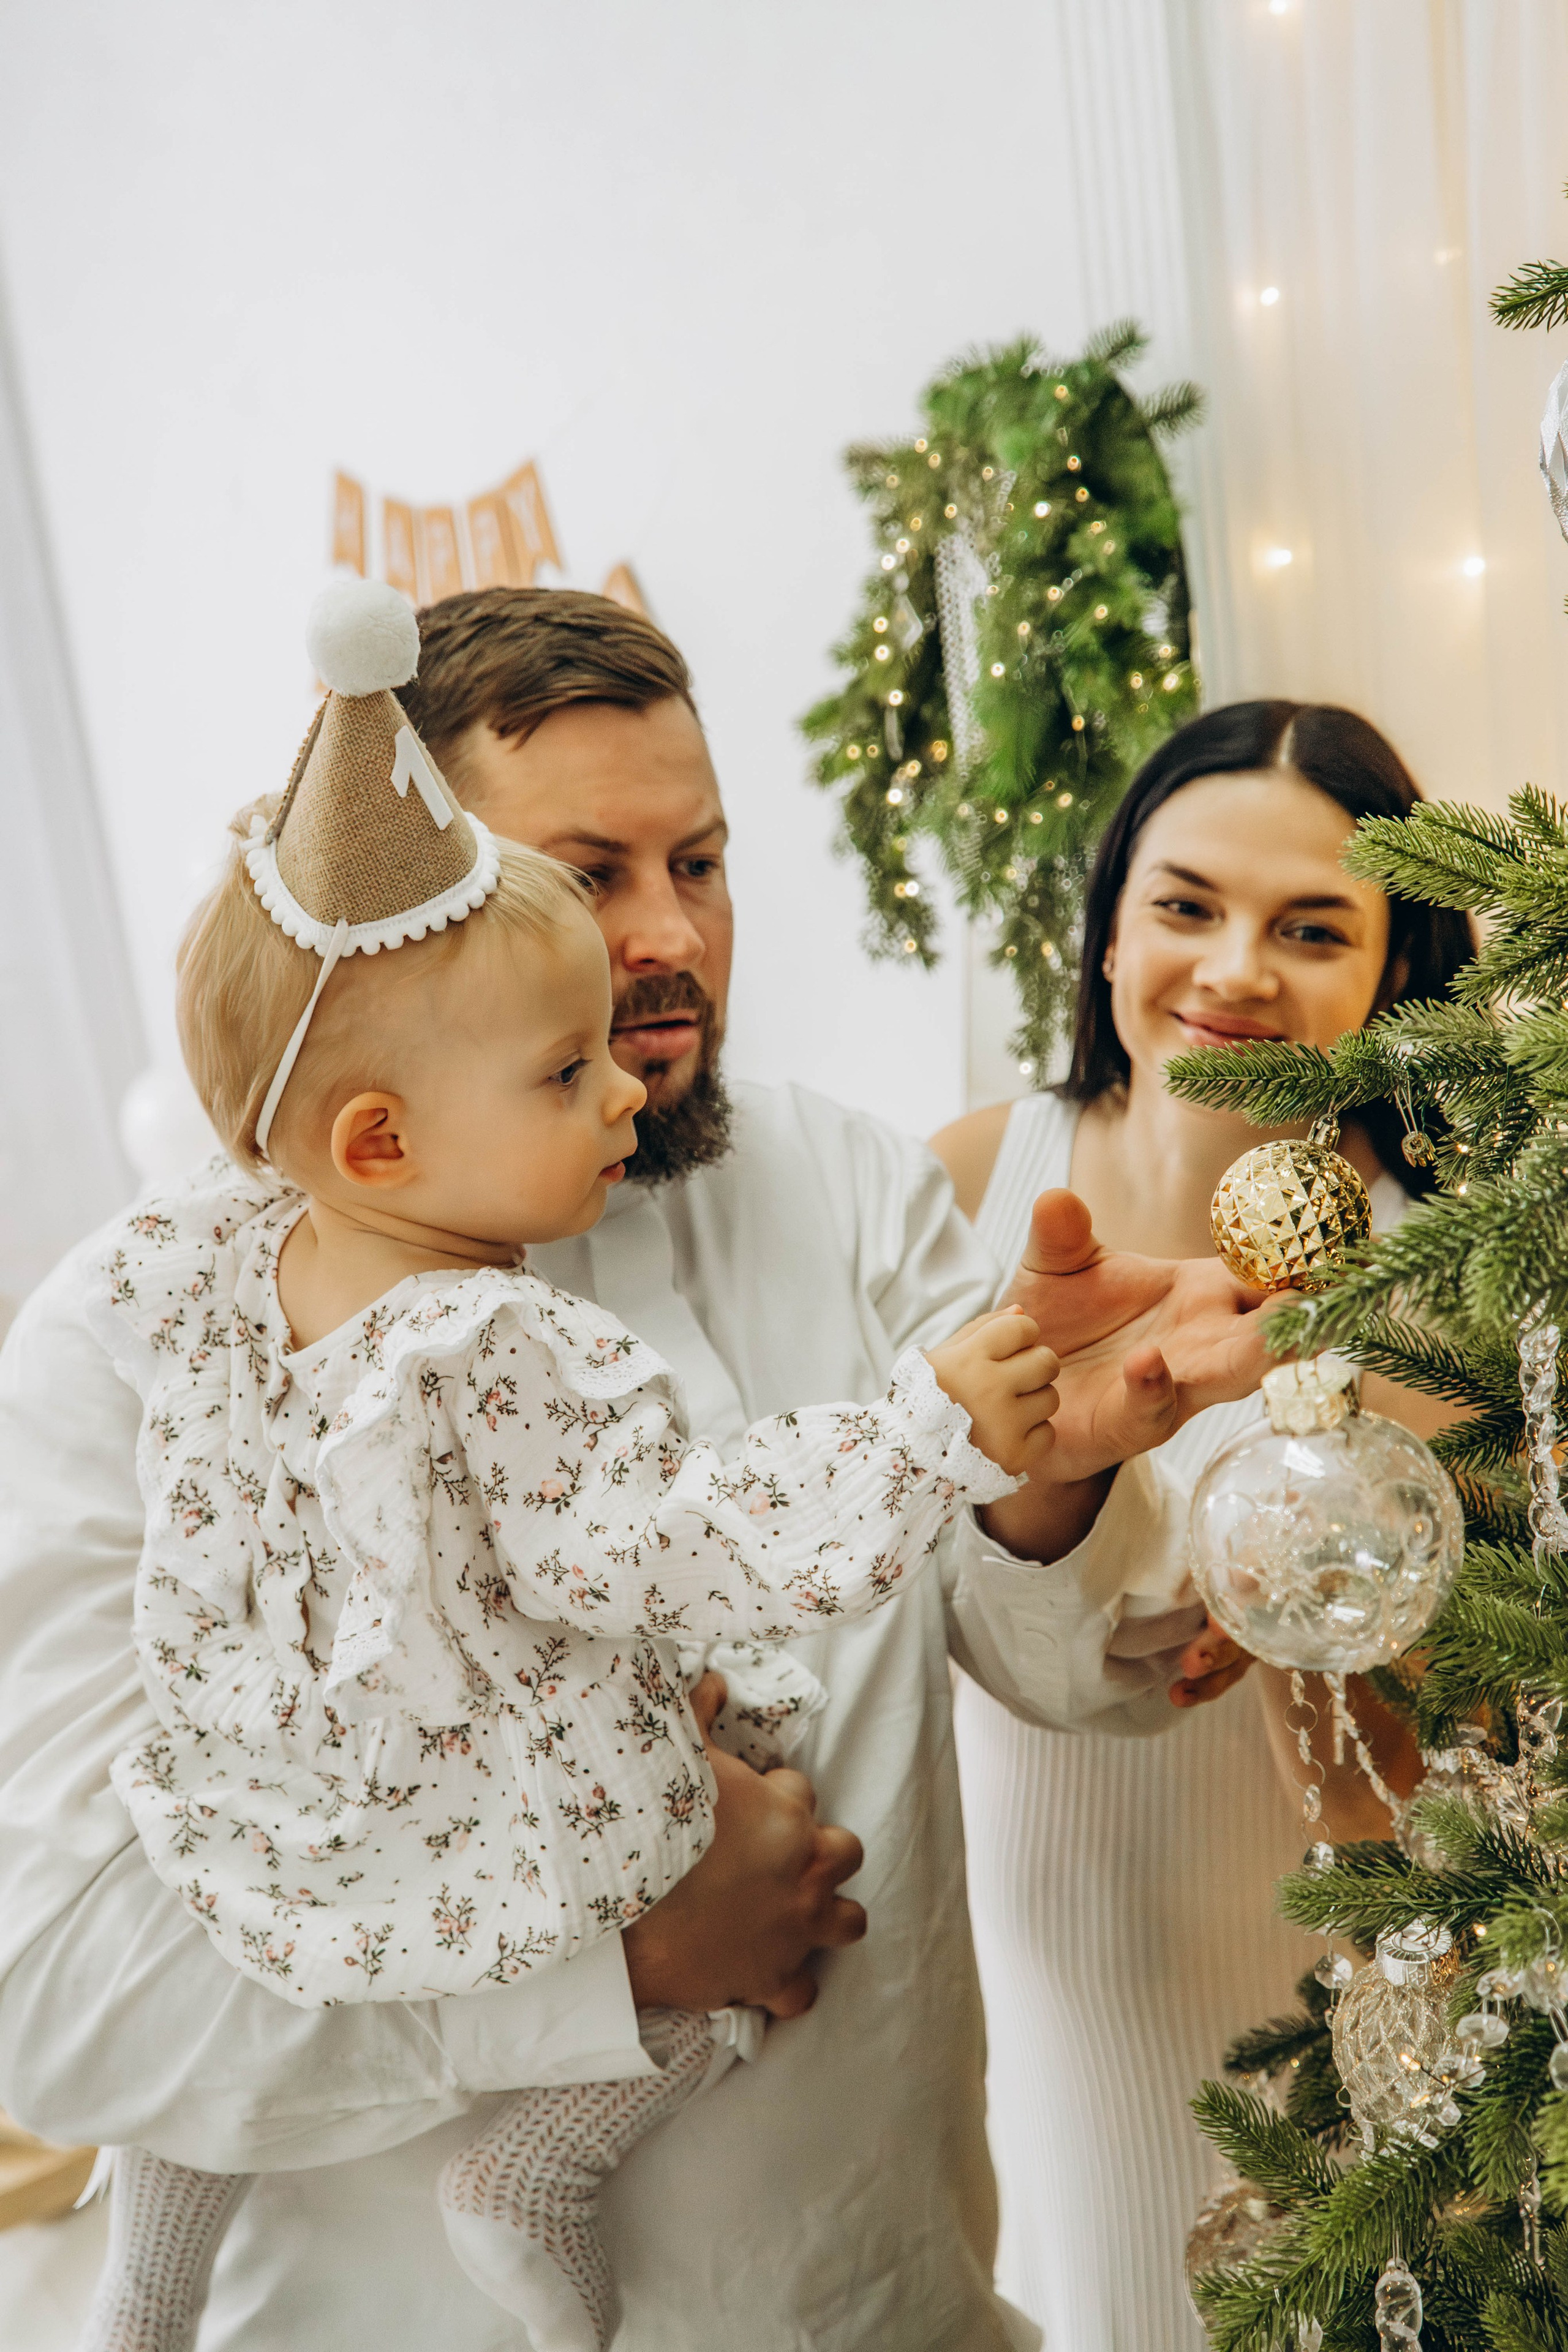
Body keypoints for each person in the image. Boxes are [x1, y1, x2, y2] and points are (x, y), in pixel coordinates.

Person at [0, 588, 1270, 2352]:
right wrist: (614, 1970)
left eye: (705, 861)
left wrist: (1053, 1456)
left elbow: (1062, 1663)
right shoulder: (145, 1338)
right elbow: (53, 1996)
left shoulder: (839, 1181)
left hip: (875, 2295)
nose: (665, 938)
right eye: (588, 877)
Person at [932, 699, 1473, 2352]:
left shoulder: (1433, 1277)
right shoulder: (964, 1181)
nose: (1236, 967)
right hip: (1024, 1960)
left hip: (1294, 1981)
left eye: (1311, 929)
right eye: (1187, 906)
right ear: (1107, 933)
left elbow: (1457, 1750)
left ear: (1389, 975)